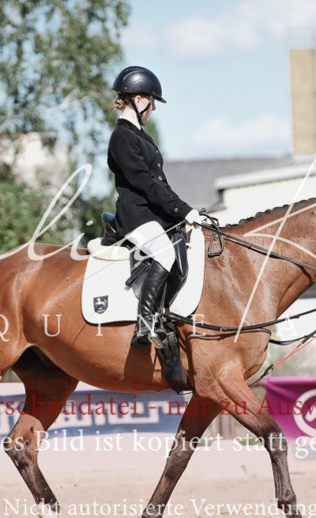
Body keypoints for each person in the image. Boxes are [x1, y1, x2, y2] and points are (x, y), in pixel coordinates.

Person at [107, 65, 206, 347]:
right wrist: (183, 210)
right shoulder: (123, 137)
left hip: (153, 215)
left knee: (185, 253)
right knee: (165, 255)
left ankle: (167, 315)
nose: (153, 109)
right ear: (139, 100)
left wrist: (183, 210)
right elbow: (145, 183)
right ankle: (145, 323)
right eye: (152, 103)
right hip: (136, 216)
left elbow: (160, 184)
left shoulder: (140, 135)